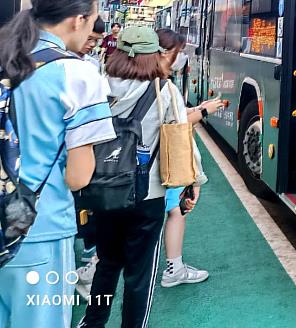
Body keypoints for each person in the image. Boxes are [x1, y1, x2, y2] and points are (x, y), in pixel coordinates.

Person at [0, 0, 116, 328]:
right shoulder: (78, 73)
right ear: (78, 19)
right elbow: (77, 176)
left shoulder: (8, 57)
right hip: (37, 227)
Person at [77, 27, 207, 328]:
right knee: (139, 273)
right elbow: (180, 139)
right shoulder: (165, 90)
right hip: (146, 194)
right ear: (153, 54)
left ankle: (92, 322)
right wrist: (193, 182)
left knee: (107, 264)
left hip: (102, 191)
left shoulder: (98, 84)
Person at [156, 28, 221, 288]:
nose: (182, 58)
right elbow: (177, 125)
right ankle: (174, 270)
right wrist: (204, 111)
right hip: (165, 166)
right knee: (175, 213)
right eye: (179, 53)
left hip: (147, 165)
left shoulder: (125, 78)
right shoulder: (164, 86)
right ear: (166, 53)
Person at [73, 16, 111, 301]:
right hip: (51, 209)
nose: (91, 45)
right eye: (91, 38)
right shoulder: (84, 74)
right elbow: (78, 174)